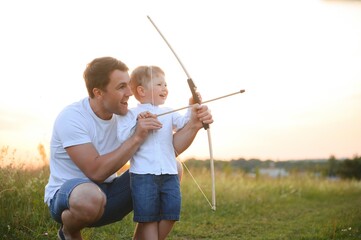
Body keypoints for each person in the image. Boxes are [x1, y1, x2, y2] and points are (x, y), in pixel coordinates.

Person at [44, 56, 213, 240]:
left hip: (110, 193)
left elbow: (168, 150)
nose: (130, 93)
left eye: (129, 84)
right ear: (98, 92)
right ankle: (68, 231)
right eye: (121, 87)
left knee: (172, 167)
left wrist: (193, 124)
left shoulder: (127, 115)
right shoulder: (72, 117)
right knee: (89, 196)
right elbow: (96, 172)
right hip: (71, 198)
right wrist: (138, 136)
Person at [117, 66, 191, 240]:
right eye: (159, 84)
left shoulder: (168, 111)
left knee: (172, 213)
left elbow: (184, 124)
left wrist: (192, 105)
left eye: (165, 84)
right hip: (143, 176)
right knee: (148, 219)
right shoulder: (131, 114)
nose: (165, 88)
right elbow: (122, 137)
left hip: (169, 173)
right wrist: (138, 123)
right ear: (141, 91)